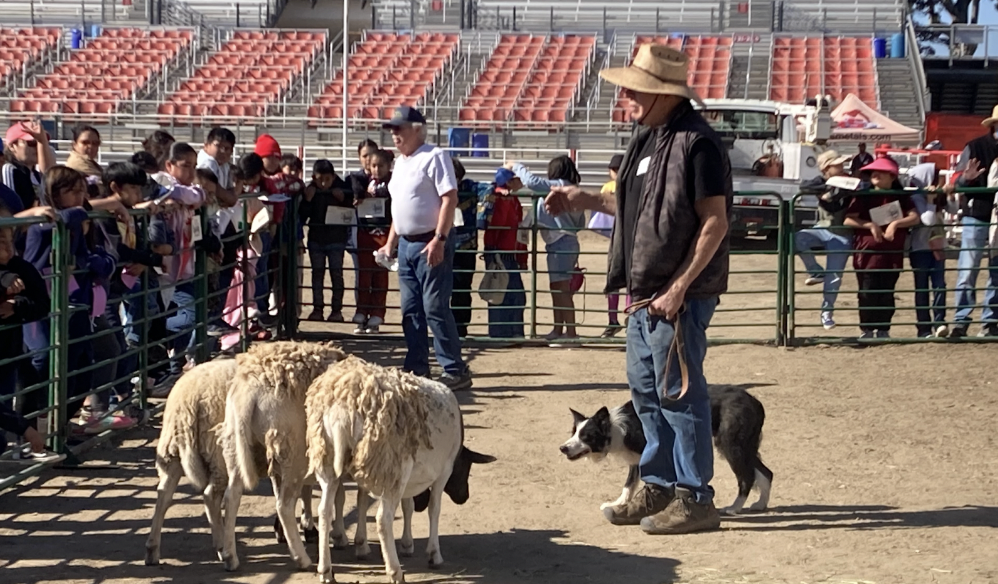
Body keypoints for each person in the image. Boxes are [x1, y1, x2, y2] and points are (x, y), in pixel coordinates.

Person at [544, 44, 733, 534]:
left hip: (677, 298)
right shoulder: (647, 141)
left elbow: (714, 222)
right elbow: (628, 203)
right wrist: (585, 197)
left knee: (680, 395)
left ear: (659, 91)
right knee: (647, 395)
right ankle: (658, 484)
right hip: (645, 294)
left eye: (633, 86)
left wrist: (680, 287)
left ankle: (695, 497)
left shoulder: (698, 144)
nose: (624, 93)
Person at [376, 106, 472, 391]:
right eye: (392, 129)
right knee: (411, 309)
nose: (394, 133)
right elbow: (401, 207)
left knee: (434, 306)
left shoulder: (434, 156)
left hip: (430, 240)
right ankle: (418, 367)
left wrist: (440, 239)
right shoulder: (402, 163)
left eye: (399, 128)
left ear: (417, 129)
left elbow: (449, 198)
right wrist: (391, 242)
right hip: (408, 243)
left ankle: (453, 368)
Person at [24, 166, 115, 430]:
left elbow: (99, 260)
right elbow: (63, 220)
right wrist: (80, 214)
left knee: (81, 369)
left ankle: (58, 426)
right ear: (53, 193)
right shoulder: (43, 224)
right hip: (40, 307)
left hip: (76, 306)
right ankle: (31, 429)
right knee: (43, 361)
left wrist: (89, 261)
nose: (79, 196)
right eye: (72, 191)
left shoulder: (80, 225)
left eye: (82, 191)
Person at [0, 204, 63, 462]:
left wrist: (17, 305)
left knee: (17, 389)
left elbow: (42, 304)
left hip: (10, 349)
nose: (5, 243)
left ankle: (19, 443)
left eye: (7, 237)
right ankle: (21, 435)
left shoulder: (23, 268)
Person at [508, 156, 586, 342]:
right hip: (565, 241)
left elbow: (531, 182)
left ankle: (571, 333)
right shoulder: (574, 189)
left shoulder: (556, 185)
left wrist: (515, 166)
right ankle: (559, 330)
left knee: (561, 289)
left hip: (560, 241)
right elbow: (581, 222)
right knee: (557, 287)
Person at [843, 156, 920, 339]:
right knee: (867, 292)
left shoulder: (901, 196)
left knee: (887, 292)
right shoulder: (863, 195)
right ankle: (867, 329)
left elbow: (915, 217)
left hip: (891, 253)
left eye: (881, 171)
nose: (875, 174)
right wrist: (870, 225)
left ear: (892, 176)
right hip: (867, 253)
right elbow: (849, 219)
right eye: (872, 172)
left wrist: (895, 224)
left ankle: (883, 328)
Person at [947, 108, 998, 337]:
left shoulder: (975, 146)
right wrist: (966, 179)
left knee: (996, 271)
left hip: (987, 215)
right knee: (968, 269)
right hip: (976, 215)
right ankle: (961, 319)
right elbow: (957, 182)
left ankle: (990, 320)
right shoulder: (975, 146)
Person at [794, 149, 854, 330]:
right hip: (824, 228)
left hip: (842, 233)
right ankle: (815, 270)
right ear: (827, 168)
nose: (842, 167)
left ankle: (827, 313)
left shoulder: (848, 181)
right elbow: (804, 186)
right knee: (797, 238)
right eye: (837, 165)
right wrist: (827, 189)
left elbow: (860, 186)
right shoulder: (822, 182)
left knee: (834, 277)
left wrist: (838, 191)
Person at [299, 159, 352, 322]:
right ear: (314, 177)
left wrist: (344, 198)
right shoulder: (310, 191)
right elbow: (302, 216)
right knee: (317, 274)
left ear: (333, 176)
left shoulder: (343, 188)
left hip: (337, 239)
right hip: (316, 239)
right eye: (320, 179)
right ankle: (318, 309)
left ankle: (337, 310)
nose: (323, 183)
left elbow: (351, 210)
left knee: (336, 274)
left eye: (327, 179)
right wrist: (307, 200)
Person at [478, 167, 527, 339]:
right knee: (502, 292)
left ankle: (509, 331)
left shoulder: (511, 200)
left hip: (506, 251)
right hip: (501, 251)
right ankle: (504, 332)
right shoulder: (502, 199)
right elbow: (499, 226)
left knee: (510, 293)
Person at [905, 163, 950, 338]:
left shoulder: (935, 194)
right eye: (935, 177)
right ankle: (923, 328)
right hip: (920, 248)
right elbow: (928, 220)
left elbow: (952, 209)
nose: (938, 181)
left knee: (940, 285)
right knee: (922, 288)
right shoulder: (916, 197)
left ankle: (940, 322)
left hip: (937, 246)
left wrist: (949, 196)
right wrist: (930, 201)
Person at [353, 148, 393, 334]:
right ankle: (361, 311)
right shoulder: (364, 181)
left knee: (380, 274)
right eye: (374, 166)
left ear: (389, 166)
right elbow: (350, 180)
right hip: (365, 233)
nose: (377, 169)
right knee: (364, 274)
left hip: (385, 233)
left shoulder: (393, 183)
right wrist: (358, 195)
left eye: (381, 166)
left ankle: (377, 314)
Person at [451, 157, 488, 338]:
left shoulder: (469, 188)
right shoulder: (435, 191)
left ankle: (460, 328)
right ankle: (444, 327)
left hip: (465, 247)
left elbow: (487, 189)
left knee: (462, 288)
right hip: (442, 246)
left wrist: (481, 216)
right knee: (441, 289)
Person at [594, 154, 627, 338]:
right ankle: (630, 316)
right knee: (631, 279)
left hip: (615, 237)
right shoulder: (632, 184)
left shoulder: (608, 187)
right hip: (630, 235)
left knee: (613, 279)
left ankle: (612, 320)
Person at [3, 121, 55, 209]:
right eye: (32, 143)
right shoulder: (10, 170)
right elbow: (12, 210)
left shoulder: (37, 175)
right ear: (12, 146)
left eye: (40, 143)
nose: (37, 147)